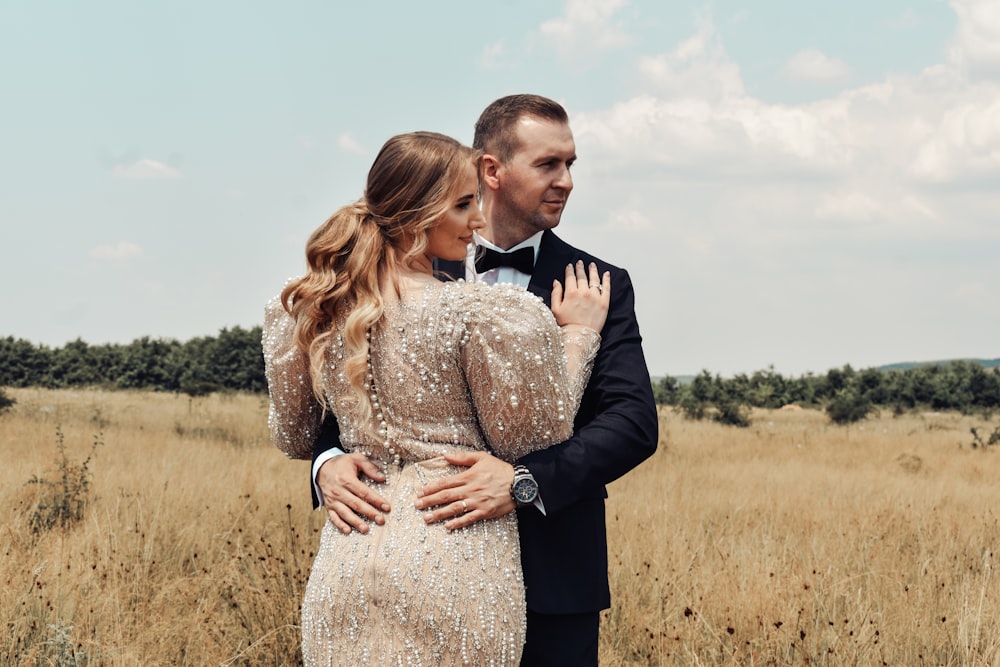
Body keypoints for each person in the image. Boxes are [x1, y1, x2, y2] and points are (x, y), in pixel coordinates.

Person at [312, 95, 659, 666]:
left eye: (571, 164)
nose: (567, 181)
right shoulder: (399, 270)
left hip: (555, 582)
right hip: (413, 575)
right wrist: (327, 463)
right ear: (491, 170)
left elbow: (631, 423)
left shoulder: (600, 284)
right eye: (549, 164)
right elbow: (339, 400)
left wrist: (524, 482)